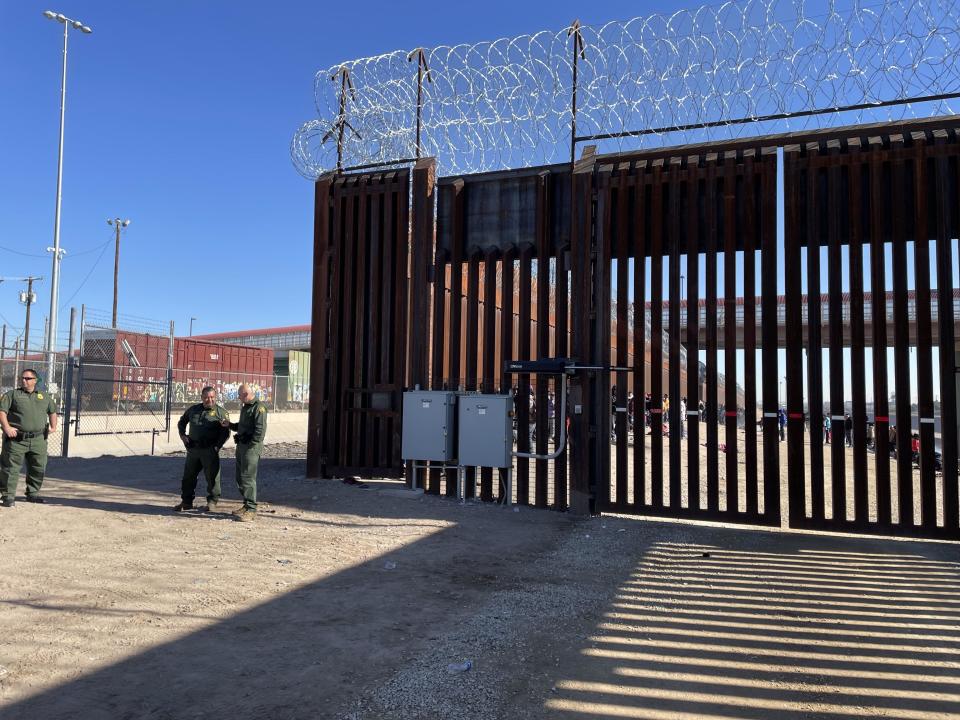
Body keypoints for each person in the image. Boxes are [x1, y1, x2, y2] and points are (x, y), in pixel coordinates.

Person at [0, 369, 58, 506]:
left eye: (27, 378)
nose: (24, 380)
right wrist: (7, 428)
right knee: (10, 468)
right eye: (23, 378)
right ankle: (8, 497)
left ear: (35, 380)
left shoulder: (44, 397)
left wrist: (54, 427)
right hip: (16, 440)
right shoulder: (12, 395)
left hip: (38, 440)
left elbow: (52, 411)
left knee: (38, 467)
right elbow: (2, 412)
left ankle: (32, 494)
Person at [173, 386, 230, 513]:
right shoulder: (193, 410)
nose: (209, 400)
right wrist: (183, 435)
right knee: (188, 477)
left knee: (212, 478)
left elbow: (225, 433)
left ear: (215, 397)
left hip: (210, 451)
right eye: (206, 397)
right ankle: (186, 502)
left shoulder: (221, 413)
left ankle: (212, 502)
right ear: (201, 398)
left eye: (211, 397)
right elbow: (182, 422)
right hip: (193, 450)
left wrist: (217, 446)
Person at [222, 384, 267, 522]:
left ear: (246, 394)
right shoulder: (246, 406)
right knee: (240, 477)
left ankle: (251, 509)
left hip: (250, 449)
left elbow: (260, 431)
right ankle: (246, 504)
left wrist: (251, 444)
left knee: (248, 477)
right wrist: (230, 425)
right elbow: (242, 426)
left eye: (240, 395)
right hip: (242, 447)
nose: (238, 398)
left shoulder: (258, 408)